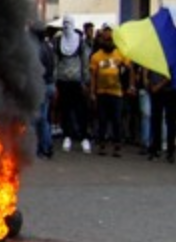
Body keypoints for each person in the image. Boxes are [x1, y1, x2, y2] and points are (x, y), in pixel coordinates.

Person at [89, 26, 132, 157]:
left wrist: (131, 86)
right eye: (106, 38)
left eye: (110, 39)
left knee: (116, 120)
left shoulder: (120, 54)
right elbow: (93, 76)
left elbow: (130, 69)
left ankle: (116, 145)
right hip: (102, 92)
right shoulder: (96, 57)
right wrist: (92, 92)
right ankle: (102, 145)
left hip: (117, 92)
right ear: (102, 40)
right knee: (102, 119)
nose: (108, 41)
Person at [55, 16, 91, 154]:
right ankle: (67, 136)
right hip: (63, 81)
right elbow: (56, 61)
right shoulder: (58, 41)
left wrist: (85, 81)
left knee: (81, 110)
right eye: (64, 24)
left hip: (77, 81)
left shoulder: (80, 42)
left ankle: (84, 138)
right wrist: (55, 80)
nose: (66, 26)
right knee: (65, 110)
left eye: (68, 24)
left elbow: (85, 62)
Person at [32, 23, 55, 160]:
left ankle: (42, 148)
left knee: (38, 119)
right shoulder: (48, 47)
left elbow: (36, 70)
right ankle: (47, 146)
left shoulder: (37, 49)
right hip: (50, 85)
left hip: (41, 86)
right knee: (45, 118)